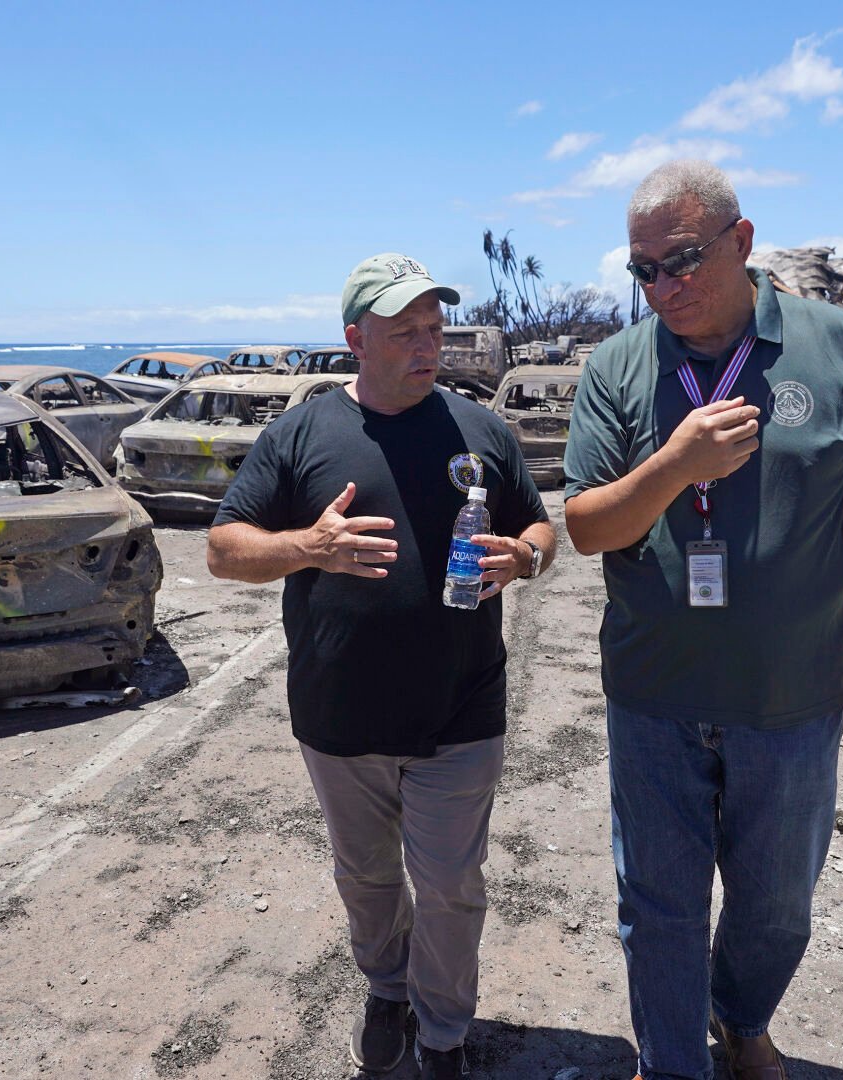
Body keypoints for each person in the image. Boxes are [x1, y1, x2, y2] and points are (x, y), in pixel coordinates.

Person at [562, 161, 843, 1080]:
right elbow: (586, 527)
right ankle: (671, 1064)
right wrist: (675, 464)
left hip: (792, 695)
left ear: (740, 242)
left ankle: (741, 1017)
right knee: (658, 903)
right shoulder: (618, 368)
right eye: (642, 269)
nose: (663, 286)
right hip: (655, 693)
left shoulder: (833, 343)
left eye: (682, 259)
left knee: (777, 905)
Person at [207, 253, 557, 1079]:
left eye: (434, 330)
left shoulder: (482, 431)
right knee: (365, 875)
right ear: (355, 339)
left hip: (461, 712)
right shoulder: (301, 432)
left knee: (448, 885)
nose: (426, 346)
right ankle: (386, 987)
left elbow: (540, 529)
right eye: (404, 332)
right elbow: (224, 549)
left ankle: (442, 1035)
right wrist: (306, 547)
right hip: (338, 716)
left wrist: (525, 560)